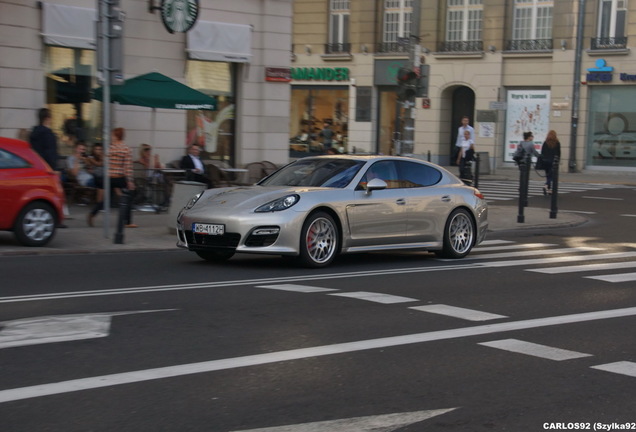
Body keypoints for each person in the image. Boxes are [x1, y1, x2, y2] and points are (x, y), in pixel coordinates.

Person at [88, 128, 137, 228]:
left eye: (112, 135)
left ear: (116, 136)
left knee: (107, 200)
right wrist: (130, 181)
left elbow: (105, 163)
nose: (111, 137)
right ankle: (127, 221)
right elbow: (128, 167)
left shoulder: (109, 149)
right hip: (120, 177)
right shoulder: (126, 149)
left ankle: (92, 214)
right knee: (129, 196)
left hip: (109, 177)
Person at [541, 130, 562, 195]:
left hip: (545, 161)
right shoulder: (557, 143)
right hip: (553, 161)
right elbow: (558, 153)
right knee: (552, 175)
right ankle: (546, 185)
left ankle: (549, 189)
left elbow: (542, 152)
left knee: (548, 175)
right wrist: (558, 160)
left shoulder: (545, 142)